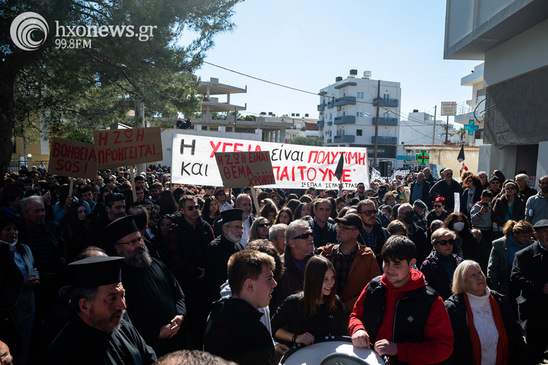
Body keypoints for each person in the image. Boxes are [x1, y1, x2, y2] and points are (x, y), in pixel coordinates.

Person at [349, 235, 453, 364]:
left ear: (412, 263)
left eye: (397, 263)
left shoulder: (431, 300)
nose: (390, 269)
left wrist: (399, 349)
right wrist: (357, 329)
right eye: (386, 262)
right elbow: (356, 315)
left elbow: (443, 348)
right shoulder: (373, 286)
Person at [46, 256, 157, 364]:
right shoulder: (64, 353)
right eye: (111, 299)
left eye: (122, 295)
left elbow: (150, 358)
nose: (122, 306)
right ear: (84, 306)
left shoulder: (123, 326)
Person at [107, 215, 186, 357]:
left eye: (139, 239)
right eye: (132, 242)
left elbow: (178, 292)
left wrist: (180, 315)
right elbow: (124, 319)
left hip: (176, 341)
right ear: (118, 249)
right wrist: (155, 332)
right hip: (149, 348)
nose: (139, 244)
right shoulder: (117, 279)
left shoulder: (156, 264)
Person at [443, 260, 526, 364]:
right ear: (463, 282)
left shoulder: (499, 301)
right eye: (473, 275)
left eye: (479, 273)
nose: (479, 277)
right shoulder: (453, 309)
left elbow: (516, 337)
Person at [204, 250, 278, 365]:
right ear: (250, 285)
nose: (274, 284)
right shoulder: (254, 331)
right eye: (269, 279)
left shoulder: (215, 315)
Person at [271, 256, 347, 346]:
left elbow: (341, 334)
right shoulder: (293, 302)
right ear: (313, 280)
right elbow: (273, 328)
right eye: (325, 279)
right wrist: (296, 337)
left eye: (332, 278)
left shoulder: (335, 302)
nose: (331, 284)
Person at [318, 213, 380, 312]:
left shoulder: (367, 257)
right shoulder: (327, 253)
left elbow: (373, 287)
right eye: (339, 227)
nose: (339, 231)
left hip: (354, 313)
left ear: (355, 233)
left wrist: (348, 305)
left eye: (344, 228)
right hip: (326, 311)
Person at [509, 218, 548, 364]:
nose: (547, 235)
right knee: (534, 353)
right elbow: (516, 277)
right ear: (536, 235)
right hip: (534, 311)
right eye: (544, 232)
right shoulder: (524, 255)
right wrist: (541, 287)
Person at [0, 217, 37, 364]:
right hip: (8, 309)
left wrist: (35, 278)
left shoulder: (24, 248)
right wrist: (22, 283)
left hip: (27, 303)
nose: (12, 232)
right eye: (7, 229)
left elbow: (33, 266)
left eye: (14, 229)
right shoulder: (2, 253)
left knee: (26, 341)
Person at [271, 220, 315, 312]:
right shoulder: (278, 267)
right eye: (305, 236)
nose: (311, 238)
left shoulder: (319, 263)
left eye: (311, 234)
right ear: (292, 243)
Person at [204, 209, 244, 305]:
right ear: (225, 229)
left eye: (241, 228)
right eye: (237, 227)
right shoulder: (214, 249)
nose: (240, 231)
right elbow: (213, 282)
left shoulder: (239, 246)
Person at [487, 220, 534, 297]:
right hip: (506, 285)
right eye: (525, 236)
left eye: (529, 236)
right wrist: (494, 289)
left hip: (526, 286)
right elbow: (493, 268)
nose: (527, 239)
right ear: (516, 234)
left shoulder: (532, 244)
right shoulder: (500, 245)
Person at [420, 228, 462, 300]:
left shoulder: (459, 261)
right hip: (440, 304)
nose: (448, 245)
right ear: (435, 245)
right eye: (443, 242)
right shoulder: (428, 265)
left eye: (450, 242)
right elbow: (425, 289)